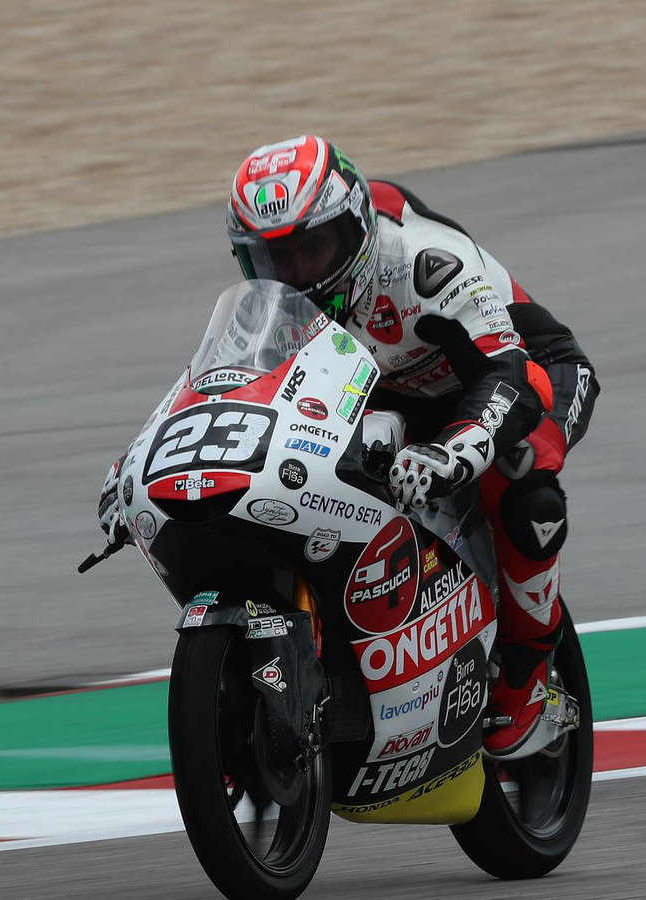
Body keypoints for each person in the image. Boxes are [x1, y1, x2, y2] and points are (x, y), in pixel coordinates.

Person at [225, 134, 600, 757]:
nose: (297, 274)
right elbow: (238, 390)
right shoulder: (270, 308)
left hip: (527, 374)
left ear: (353, 229)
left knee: (520, 475)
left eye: (312, 249)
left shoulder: (425, 262)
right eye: (275, 257)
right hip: (398, 395)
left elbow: (509, 375)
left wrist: (453, 452)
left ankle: (528, 678)